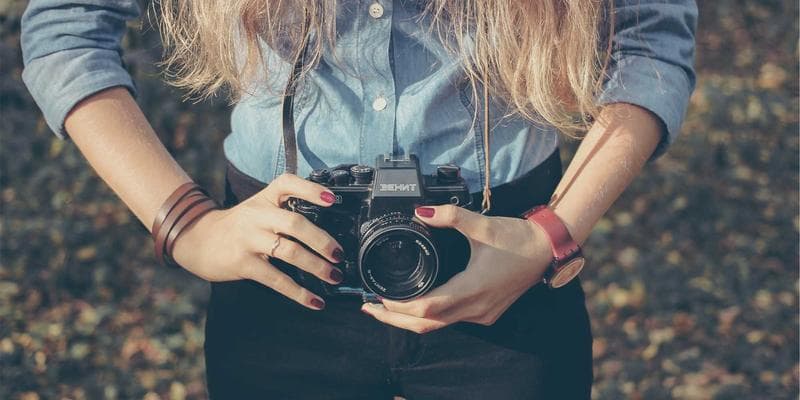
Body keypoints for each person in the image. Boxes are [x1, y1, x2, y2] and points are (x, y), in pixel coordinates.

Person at [20, 0, 697, 398]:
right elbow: (66, 24)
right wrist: (185, 225)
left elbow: (651, 36)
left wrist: (552, 233)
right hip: (285, 269)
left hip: (506, 257)